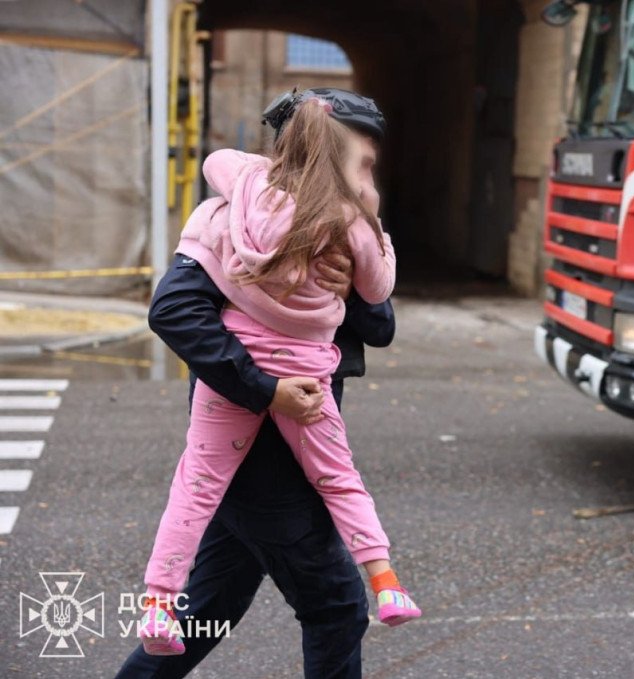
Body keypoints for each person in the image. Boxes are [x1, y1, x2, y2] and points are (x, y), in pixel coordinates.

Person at [127, 88, 418, 663]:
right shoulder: (225, 218)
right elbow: (174, 311)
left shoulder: (337, 230)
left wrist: (345, 289)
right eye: (360, 164)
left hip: (282, 449)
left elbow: (380, 326)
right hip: (262, 464)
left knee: (209, 611)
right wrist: (268, 391)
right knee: (335, 605)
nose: (364, 181)